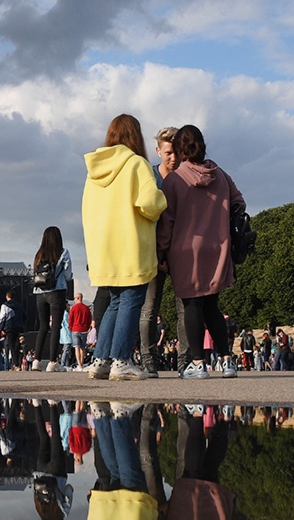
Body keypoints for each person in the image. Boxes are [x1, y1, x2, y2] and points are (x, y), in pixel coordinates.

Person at [82, 113, 167, 381]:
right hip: (130, 245)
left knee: (115, 303)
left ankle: (100, 360)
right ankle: (121, 360)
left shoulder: (94, 170)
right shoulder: (137, 164)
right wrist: (165, 199)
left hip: (103, 247)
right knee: (131, 300)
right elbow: (150, 204)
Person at [154, 125, 244, 380]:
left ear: (180, 149)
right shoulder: (220, 174)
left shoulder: (175, 180)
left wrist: (160, 253)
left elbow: (167, 222)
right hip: (218, 247)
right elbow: (239, 202)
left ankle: (197, 363)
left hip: (185, 249)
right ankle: (227, 360)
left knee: (192, 303)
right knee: (212, 306)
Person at [139, 126, 180, 376]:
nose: (173, 157)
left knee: (184, 306)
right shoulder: (150, 178)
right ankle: (148, 359)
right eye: (168, 152)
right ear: (158, 151)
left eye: (176, 152)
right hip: (153, 250)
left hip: (178, 250)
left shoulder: (186, 177)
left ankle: (186, 359)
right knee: (150, 307)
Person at [31, 226, 73, 372]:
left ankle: (36, 361)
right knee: (56, 326)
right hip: (56, 292)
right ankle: (53, 362)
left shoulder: (39, 254)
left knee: (43, 326)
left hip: (39, 293)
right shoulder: (63, 252)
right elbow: (68, 276)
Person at [0, 289, 26, 370]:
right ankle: (16, 364)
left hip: (9, 327)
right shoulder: (19, 306)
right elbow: (25, 316)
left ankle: (16, 364)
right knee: (16, 345)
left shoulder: (5, 305)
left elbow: (2, 317)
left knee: (12, 346)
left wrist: (1, 328)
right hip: (18, 327)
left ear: (7, 296)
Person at [67, 291, 92, 371]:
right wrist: (87, 328)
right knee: (82, 348)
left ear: (77, 298)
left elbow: (70, 320)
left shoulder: (74, 308)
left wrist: (71, 328)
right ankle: (81, 363)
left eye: (74, 298)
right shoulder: (86, 308)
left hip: (75, 329)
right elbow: (89, 320)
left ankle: (79, 365)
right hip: (84, 330)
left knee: (76, 348)